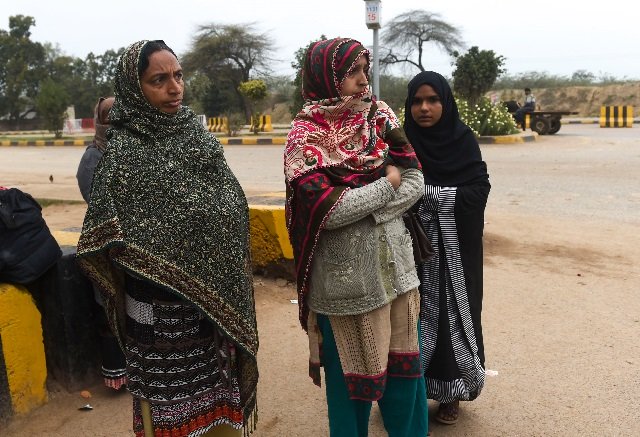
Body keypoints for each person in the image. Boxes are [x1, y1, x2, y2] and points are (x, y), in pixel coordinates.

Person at [76, 40, 258, 437]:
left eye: (178, 76)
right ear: (134, 87)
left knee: (219, 413)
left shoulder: (197, 134)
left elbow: (229, 205)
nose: (174, 88)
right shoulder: (124, 152)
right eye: (158, 80)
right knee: (169, 418)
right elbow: (100, 239)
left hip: (212, 307)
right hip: (157, 316)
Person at [285, 37, 428, 437]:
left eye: (366, 69)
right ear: (326, 78)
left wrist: (369, 207)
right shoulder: (304, 135)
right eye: (354, 72)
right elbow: (326, 212)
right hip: (345, 290)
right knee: (351, 398)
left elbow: (416, 179)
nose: (364, 80)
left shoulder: (380, 116)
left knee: (404, 387)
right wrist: (386, 186)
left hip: (398, 276)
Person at [403, 71, 491, 425]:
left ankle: (452, 393)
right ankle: (406, 393)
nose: (424, 108)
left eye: (433, 100)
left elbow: (479, 189)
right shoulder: (402, 143)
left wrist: (431, 196)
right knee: (408, 320)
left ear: (446, 102)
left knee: (454, 317)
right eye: (417, 101)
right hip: (410, 254)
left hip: (456, 255)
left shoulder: (463, 140)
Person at [76, 96, 128, 391]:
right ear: (101, 121)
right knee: (110, 307)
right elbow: (95, 200)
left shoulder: (132, 150)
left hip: (133, 245)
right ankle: (117, 374)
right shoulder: (93, 158)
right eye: (111, 118)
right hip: (107, 246)